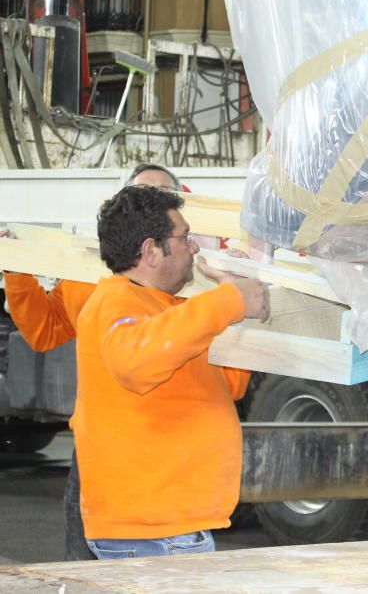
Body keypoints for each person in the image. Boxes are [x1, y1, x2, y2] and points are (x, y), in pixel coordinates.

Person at [73, 185, 268, 559]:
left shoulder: (167, 312)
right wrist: (226, 300)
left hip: (170, 527)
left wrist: (236, 298)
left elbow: (227, 386)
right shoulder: (116, 304)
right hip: (149, 531)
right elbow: (135, 363)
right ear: (150, 251)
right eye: (185, 237)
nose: (194, 247)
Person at [0, 164, 183, 560]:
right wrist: (17, 270)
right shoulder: (90, 276)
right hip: (97, 453)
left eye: (161, 204)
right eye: (137, 202)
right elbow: (45, 329)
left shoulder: (193, 284)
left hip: (167, 456)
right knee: (85, 570)